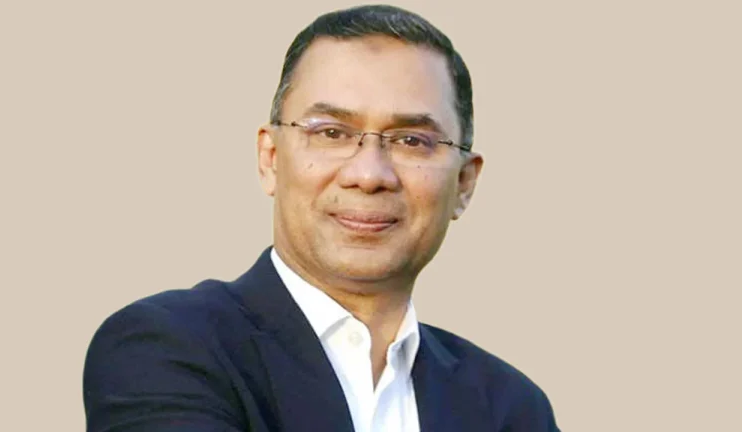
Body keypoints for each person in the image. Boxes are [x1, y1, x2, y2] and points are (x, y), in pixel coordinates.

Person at [83, 4, 561, 432]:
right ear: (271, 159)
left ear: (464, 183)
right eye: (332, 133)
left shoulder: (510, 408)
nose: (368, 175)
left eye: (412, 141)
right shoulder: (165, 349)